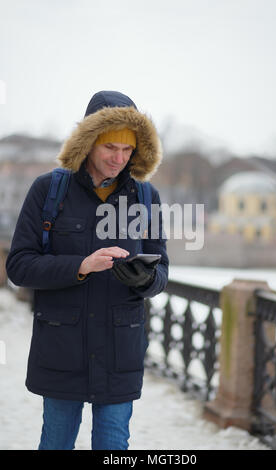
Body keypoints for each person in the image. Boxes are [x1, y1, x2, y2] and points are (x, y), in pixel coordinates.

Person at [5, 90, 169, 450]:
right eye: (111, 147)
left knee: (113, 446)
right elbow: (18, 266)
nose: (119, 158)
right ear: (89, 141)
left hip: (120, 350)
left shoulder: (146, 197)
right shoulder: (49, 190)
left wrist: (146, 279)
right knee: (57, 441)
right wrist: (81, 266)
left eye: (128, 150)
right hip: (63, 347)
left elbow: (162, 270)